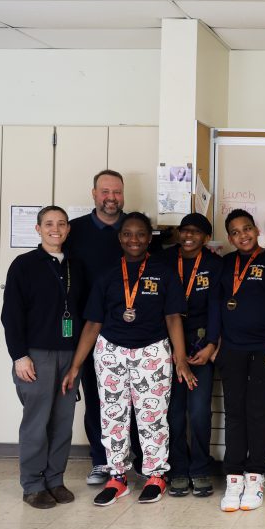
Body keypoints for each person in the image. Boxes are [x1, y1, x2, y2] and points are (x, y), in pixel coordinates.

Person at [62, 212, 196, 506]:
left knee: (153, 418)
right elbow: (93, 323)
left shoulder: (164, 272)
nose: (133, 240)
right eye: (127, 234)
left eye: (140, 234)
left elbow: (173, 317)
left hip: (152, 350)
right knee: (112, 416)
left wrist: (181, 359)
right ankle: (117, 477)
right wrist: (75, 366)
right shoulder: (108, 273)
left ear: (149, 238)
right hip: (111, 350)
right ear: (119, 237)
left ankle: (155, 475)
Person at [1, 206, 84, 509]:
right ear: (38, 229)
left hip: (69, 355)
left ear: (68, 229)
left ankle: (55, 479)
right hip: (35, 355)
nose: (55, 229)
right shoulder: (24, 265)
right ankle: (33, 484)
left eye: (61, 224)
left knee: (62, 421)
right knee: (37, 421)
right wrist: (19, 356)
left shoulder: (76, 265)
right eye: (48, 224)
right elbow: (10, 315)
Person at [216, 209, 265, 512]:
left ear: (257, 230)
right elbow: (219, 306)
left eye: (247, 229)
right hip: (232, 349)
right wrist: (217, 344)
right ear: (230, 237)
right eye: (235, 232)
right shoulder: (225, 264)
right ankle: (234, 477)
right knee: (234, 412)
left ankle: (256, 475)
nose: (242, 235)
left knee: (258, 412)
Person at [63, 170, 127, 485]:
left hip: (130, 332)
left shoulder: (134, 230)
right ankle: (101, 460)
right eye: (105, 191)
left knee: (132, 399)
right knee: (98, 398)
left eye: (116, 192)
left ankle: (131, 460)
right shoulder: (73, 232)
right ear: (93, 194)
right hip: (88, 329)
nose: (111, 198)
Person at [159, 213, 223, 499]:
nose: (189, 236)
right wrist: (174, 354)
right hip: (165, 347)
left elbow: (216, 308)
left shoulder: (214, 264)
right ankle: (178, 470)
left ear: (206, 237)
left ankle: (199, 468)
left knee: (198, 412)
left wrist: (211, 345)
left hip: (199, 347)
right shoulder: (162, 260)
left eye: (196, 232)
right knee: (173, 413)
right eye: (185, 230)